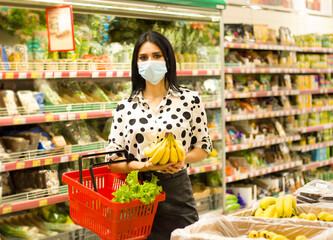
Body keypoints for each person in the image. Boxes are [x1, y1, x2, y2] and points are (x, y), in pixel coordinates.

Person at [107, 31, 212, 240]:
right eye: (143, 57)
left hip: (177, 191)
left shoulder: (190, 99)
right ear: (136, 64)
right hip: (138, 195)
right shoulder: (124, 107)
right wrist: (144, 166)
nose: (150, 62)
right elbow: (113, 159)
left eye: (157, 56)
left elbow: (203, 146)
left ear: (168, 59)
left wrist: (183, 158)